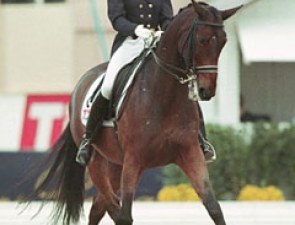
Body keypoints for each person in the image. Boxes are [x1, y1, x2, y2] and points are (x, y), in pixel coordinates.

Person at [75, 0, 215, 166]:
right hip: (129, 43)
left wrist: (164, 31)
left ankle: (202, 140)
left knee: (182, 84)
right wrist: (136, 29)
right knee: (107, 85)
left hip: (157, 44)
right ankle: (88, 139)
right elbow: (117, 18)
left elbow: (167, 17)